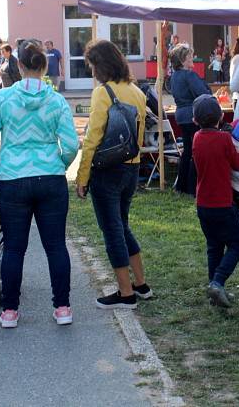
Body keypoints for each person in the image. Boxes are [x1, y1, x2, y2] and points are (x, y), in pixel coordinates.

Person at [0, 40, 78, 328]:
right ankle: (62, 308)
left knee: (13, 248)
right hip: (50, 177)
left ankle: (10, 311)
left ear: (19, 66)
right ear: (45, 66)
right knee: (56, 246)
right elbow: (71, 144)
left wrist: (1, 163)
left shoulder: (2, 99)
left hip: (13, 179)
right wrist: (59, 163)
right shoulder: (56, 100)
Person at [75, 39, 151, 310]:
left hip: (107, 171)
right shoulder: (136, 91)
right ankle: (141, 284)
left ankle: (125, 292)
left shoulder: (102, 93)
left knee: (112, 230)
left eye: (92, 65)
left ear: (101, 65)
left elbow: (92, 139)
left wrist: (82, 178)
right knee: (122, 224)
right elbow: (138, 137)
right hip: (131, 168)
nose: (91, 71)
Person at [191, 94, 239, 307]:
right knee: (237, 244)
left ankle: (215, 289)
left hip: (203, 204)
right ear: (221, 116)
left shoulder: (197, 138)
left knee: (214, 246)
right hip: (222, 204)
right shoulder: (224, 139)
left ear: (195, 120)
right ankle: (218, 281)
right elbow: (238, 164)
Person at [169, 43, 211, 195]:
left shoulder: (174, 77)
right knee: (196, 151)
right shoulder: (189, 75)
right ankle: (192, 186)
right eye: (189, 56)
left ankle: (181, 185)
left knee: (187, 151)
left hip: (180, 115)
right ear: (182, 60)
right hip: (193, 115)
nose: (192, 58)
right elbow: (202, 93)